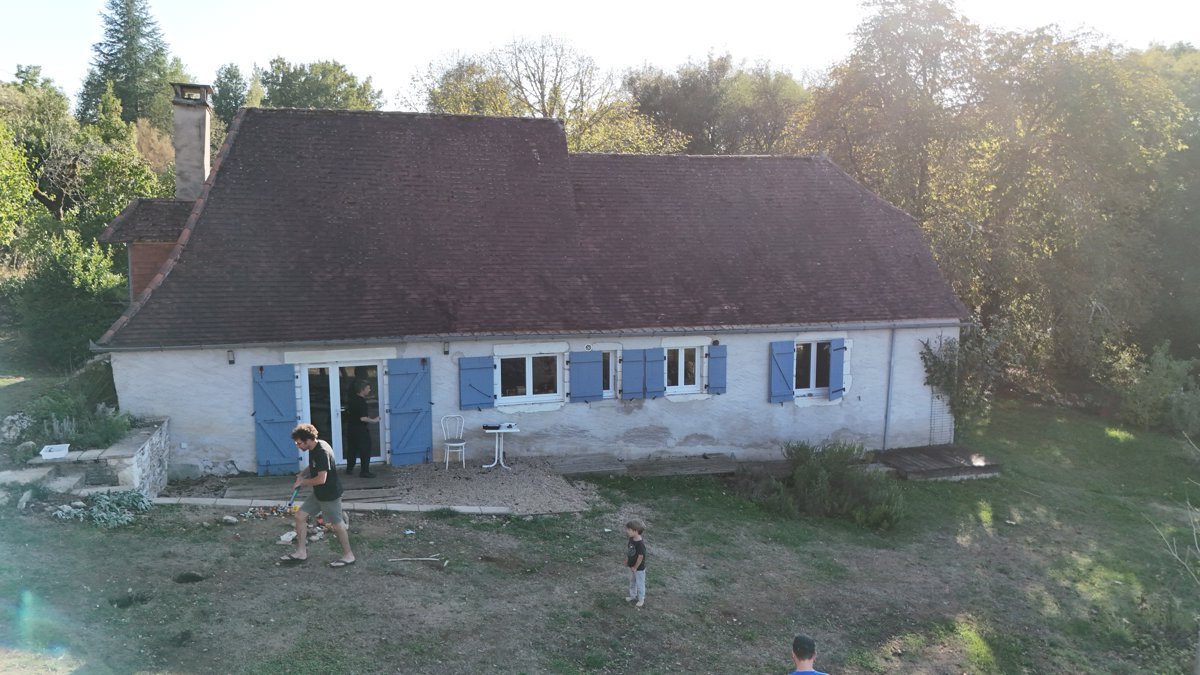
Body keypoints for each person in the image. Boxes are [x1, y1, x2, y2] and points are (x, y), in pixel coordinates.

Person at [278, 423, 356, 568]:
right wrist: (302, 474)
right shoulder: (316, 446)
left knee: (337, 525)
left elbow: (321, 479)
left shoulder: (321, 452)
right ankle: (301, 552)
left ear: (308, 440)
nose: (298, 446)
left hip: (329, 495)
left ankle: (348, 555)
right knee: (300, 516)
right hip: (319, 493)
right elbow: (314, 466)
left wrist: (303, 483)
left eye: (299, 443)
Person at [343, 379, 380, 478]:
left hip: (351, 429)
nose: (369, 390)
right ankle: (364, 471)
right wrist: (375, 420)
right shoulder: (361, 401)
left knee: (352, 449)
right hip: (360, 430)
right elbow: (363, 418)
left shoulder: (352, 400)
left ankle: (349, 468)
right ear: (362, 390)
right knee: (365, 449)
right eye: (368, 388)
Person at [623, 519, 647, 608]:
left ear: (635, 531)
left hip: (639, 568)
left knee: (640, 583)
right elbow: (629, 551)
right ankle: (633, 596)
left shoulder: (640, 544)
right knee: (632, 581)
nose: (627, 531)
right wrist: (626, 560)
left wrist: (636, 567)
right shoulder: (631, 539)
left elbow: (640, 557)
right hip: (631, 566)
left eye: (629, 530)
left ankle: (641, 599)